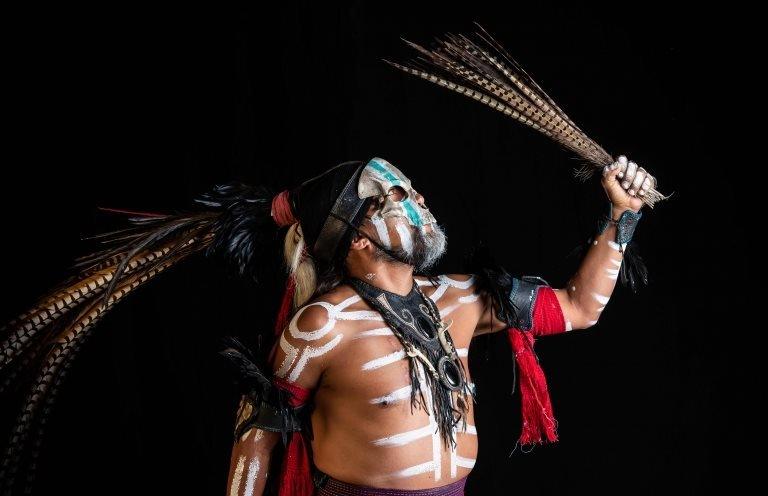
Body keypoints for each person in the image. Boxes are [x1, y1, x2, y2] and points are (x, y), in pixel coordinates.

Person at [222, 155, 653, 496]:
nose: (420, 199)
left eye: (411, 188)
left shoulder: (462, 297)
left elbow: (578, 309)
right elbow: (257, 435)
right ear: (358, 238)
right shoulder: (321, 326)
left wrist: (623, 215)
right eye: (396, 195)